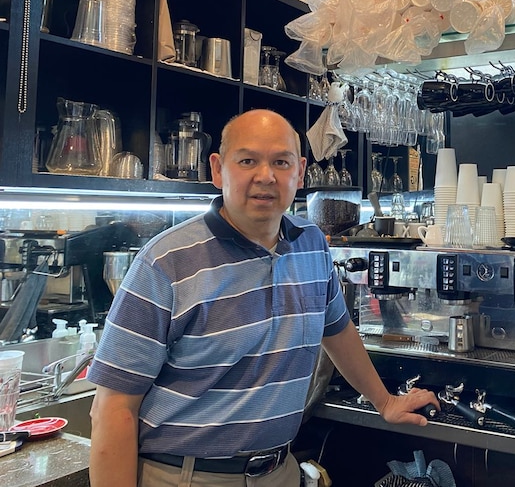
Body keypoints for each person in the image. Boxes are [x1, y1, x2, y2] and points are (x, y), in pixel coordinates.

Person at [88, 109, 439, 487]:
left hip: (279, 471)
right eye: (247, 161)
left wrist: (384, 402)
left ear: (300, 172)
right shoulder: (166, 262)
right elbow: (114, 409)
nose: (266, 176)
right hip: (187, 476)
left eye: (280, 162)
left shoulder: (311, 244)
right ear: (218, 169)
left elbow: (337, 331)